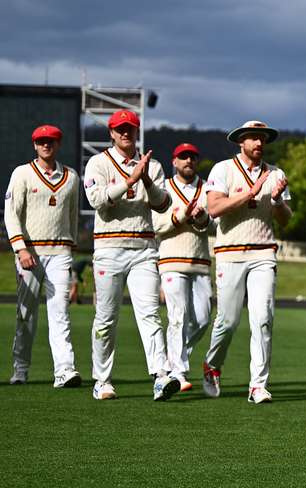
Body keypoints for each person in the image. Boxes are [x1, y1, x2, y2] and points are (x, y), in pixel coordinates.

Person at [83, 109, 179, 401]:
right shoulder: (98, 163)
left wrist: (146, 180)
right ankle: (102, 380)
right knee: (106, 317)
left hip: (144, 250)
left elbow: (163, 205)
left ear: (137, 132)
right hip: (109, 249)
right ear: (111, 133)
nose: (125, 133)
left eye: (130, 128)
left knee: (150, 314)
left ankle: (161, 376)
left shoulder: (153, 165)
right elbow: (97, 200)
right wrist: (129, 179)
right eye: (120, 129)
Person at [202, 120, 291, 404]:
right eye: (253, 137)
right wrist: (249, 194)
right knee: (227, 321)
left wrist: (276, 200)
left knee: (263, 318)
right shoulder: (223, 169)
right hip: (229, 252)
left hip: (263, 252)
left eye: (262, 138)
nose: (259, 143)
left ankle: (258, 386)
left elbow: (287, 219)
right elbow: (214, 208)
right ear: (240, 141)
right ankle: (212, 365)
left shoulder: (276, 173)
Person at [4, 124, 82, 387]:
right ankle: (21, 369)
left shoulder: (71, 177)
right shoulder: (22, 173)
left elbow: (72, 216)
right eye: (41, 141)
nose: (46, 145)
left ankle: (64, 370)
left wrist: (70, 247)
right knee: (26, 313)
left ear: (58, 144)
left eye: (51, 141)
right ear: (35, 145)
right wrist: (20, 248)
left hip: (60, 252)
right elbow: (11, 213)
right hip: (30, 252)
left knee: (60, 311)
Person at [152, 143, 212, 392]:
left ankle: (171, 359)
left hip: (200, 261)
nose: (188, 160)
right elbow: (156, 226)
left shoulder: (208, 188)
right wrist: (181, 216)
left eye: (192, 157)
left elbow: (216, 226)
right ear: (174, 161)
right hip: (171, 260)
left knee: (203, 318)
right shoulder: (163, 188)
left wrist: (201, 218)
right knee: (178, 316)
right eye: (183, 157)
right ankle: (178, 372)